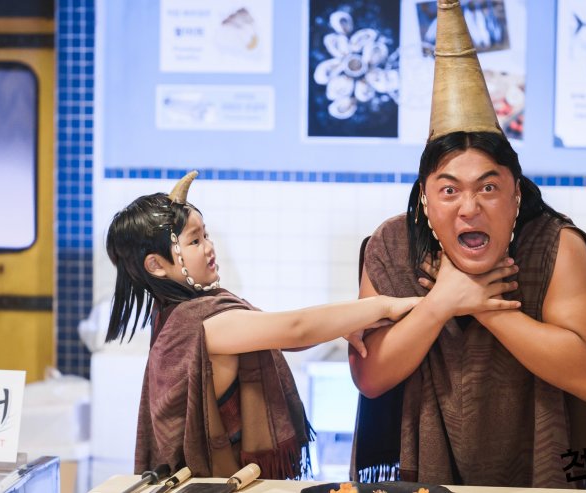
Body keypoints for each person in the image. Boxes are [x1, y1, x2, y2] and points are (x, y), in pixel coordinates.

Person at [348, 1, 586, 489]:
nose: (469, 207)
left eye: (488, 187)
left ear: (516, 194)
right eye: (449, 190)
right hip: (419, 473)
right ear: (425, 198)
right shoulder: (392, 245)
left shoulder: (556, 246)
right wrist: (441, 304)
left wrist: (487, 308)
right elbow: (370, 377)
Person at [105, 170, 421, 480]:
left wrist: (346, 323)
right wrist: (380, 305)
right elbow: (295, 328)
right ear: (157, 265)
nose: (209, 247)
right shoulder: (200, 324)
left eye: (206, 235)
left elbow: (285, 336)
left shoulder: (176, 313)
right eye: (195, 240)